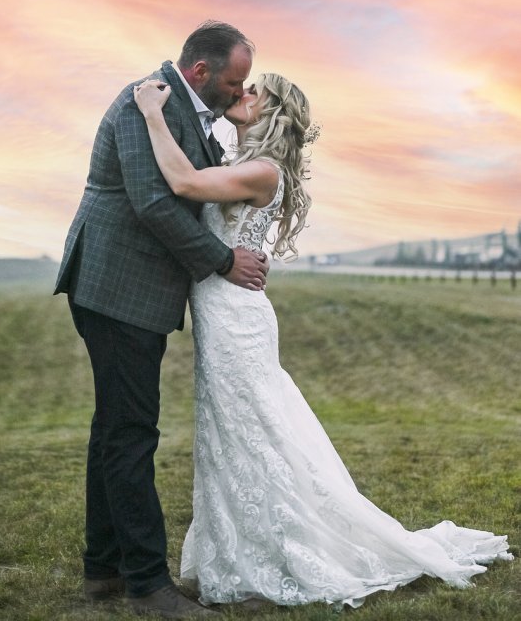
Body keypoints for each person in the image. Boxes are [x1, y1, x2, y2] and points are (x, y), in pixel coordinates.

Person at [133, 73, 512, 610]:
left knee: (255, 436)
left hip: (238, 320)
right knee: (229, 437)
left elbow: (186, 185)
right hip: (221, 317)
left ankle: (280, 561)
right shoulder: (245, 163)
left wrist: (151, 113)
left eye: (253, 93)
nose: (241, 94)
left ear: (274, 114)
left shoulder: (262, 171)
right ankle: (241, 558)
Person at [54, 21, 270, 618]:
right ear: (200, 72)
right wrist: (224, 261)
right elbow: (152, 201)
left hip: (132, 291)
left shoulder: (188, 113)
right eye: (233, 81)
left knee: (115, 427)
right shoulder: (142, 101)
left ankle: (103, 569)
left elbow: (196, 185)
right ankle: (148, 585)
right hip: (115, 286)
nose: (238, 90)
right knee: (131, 432)